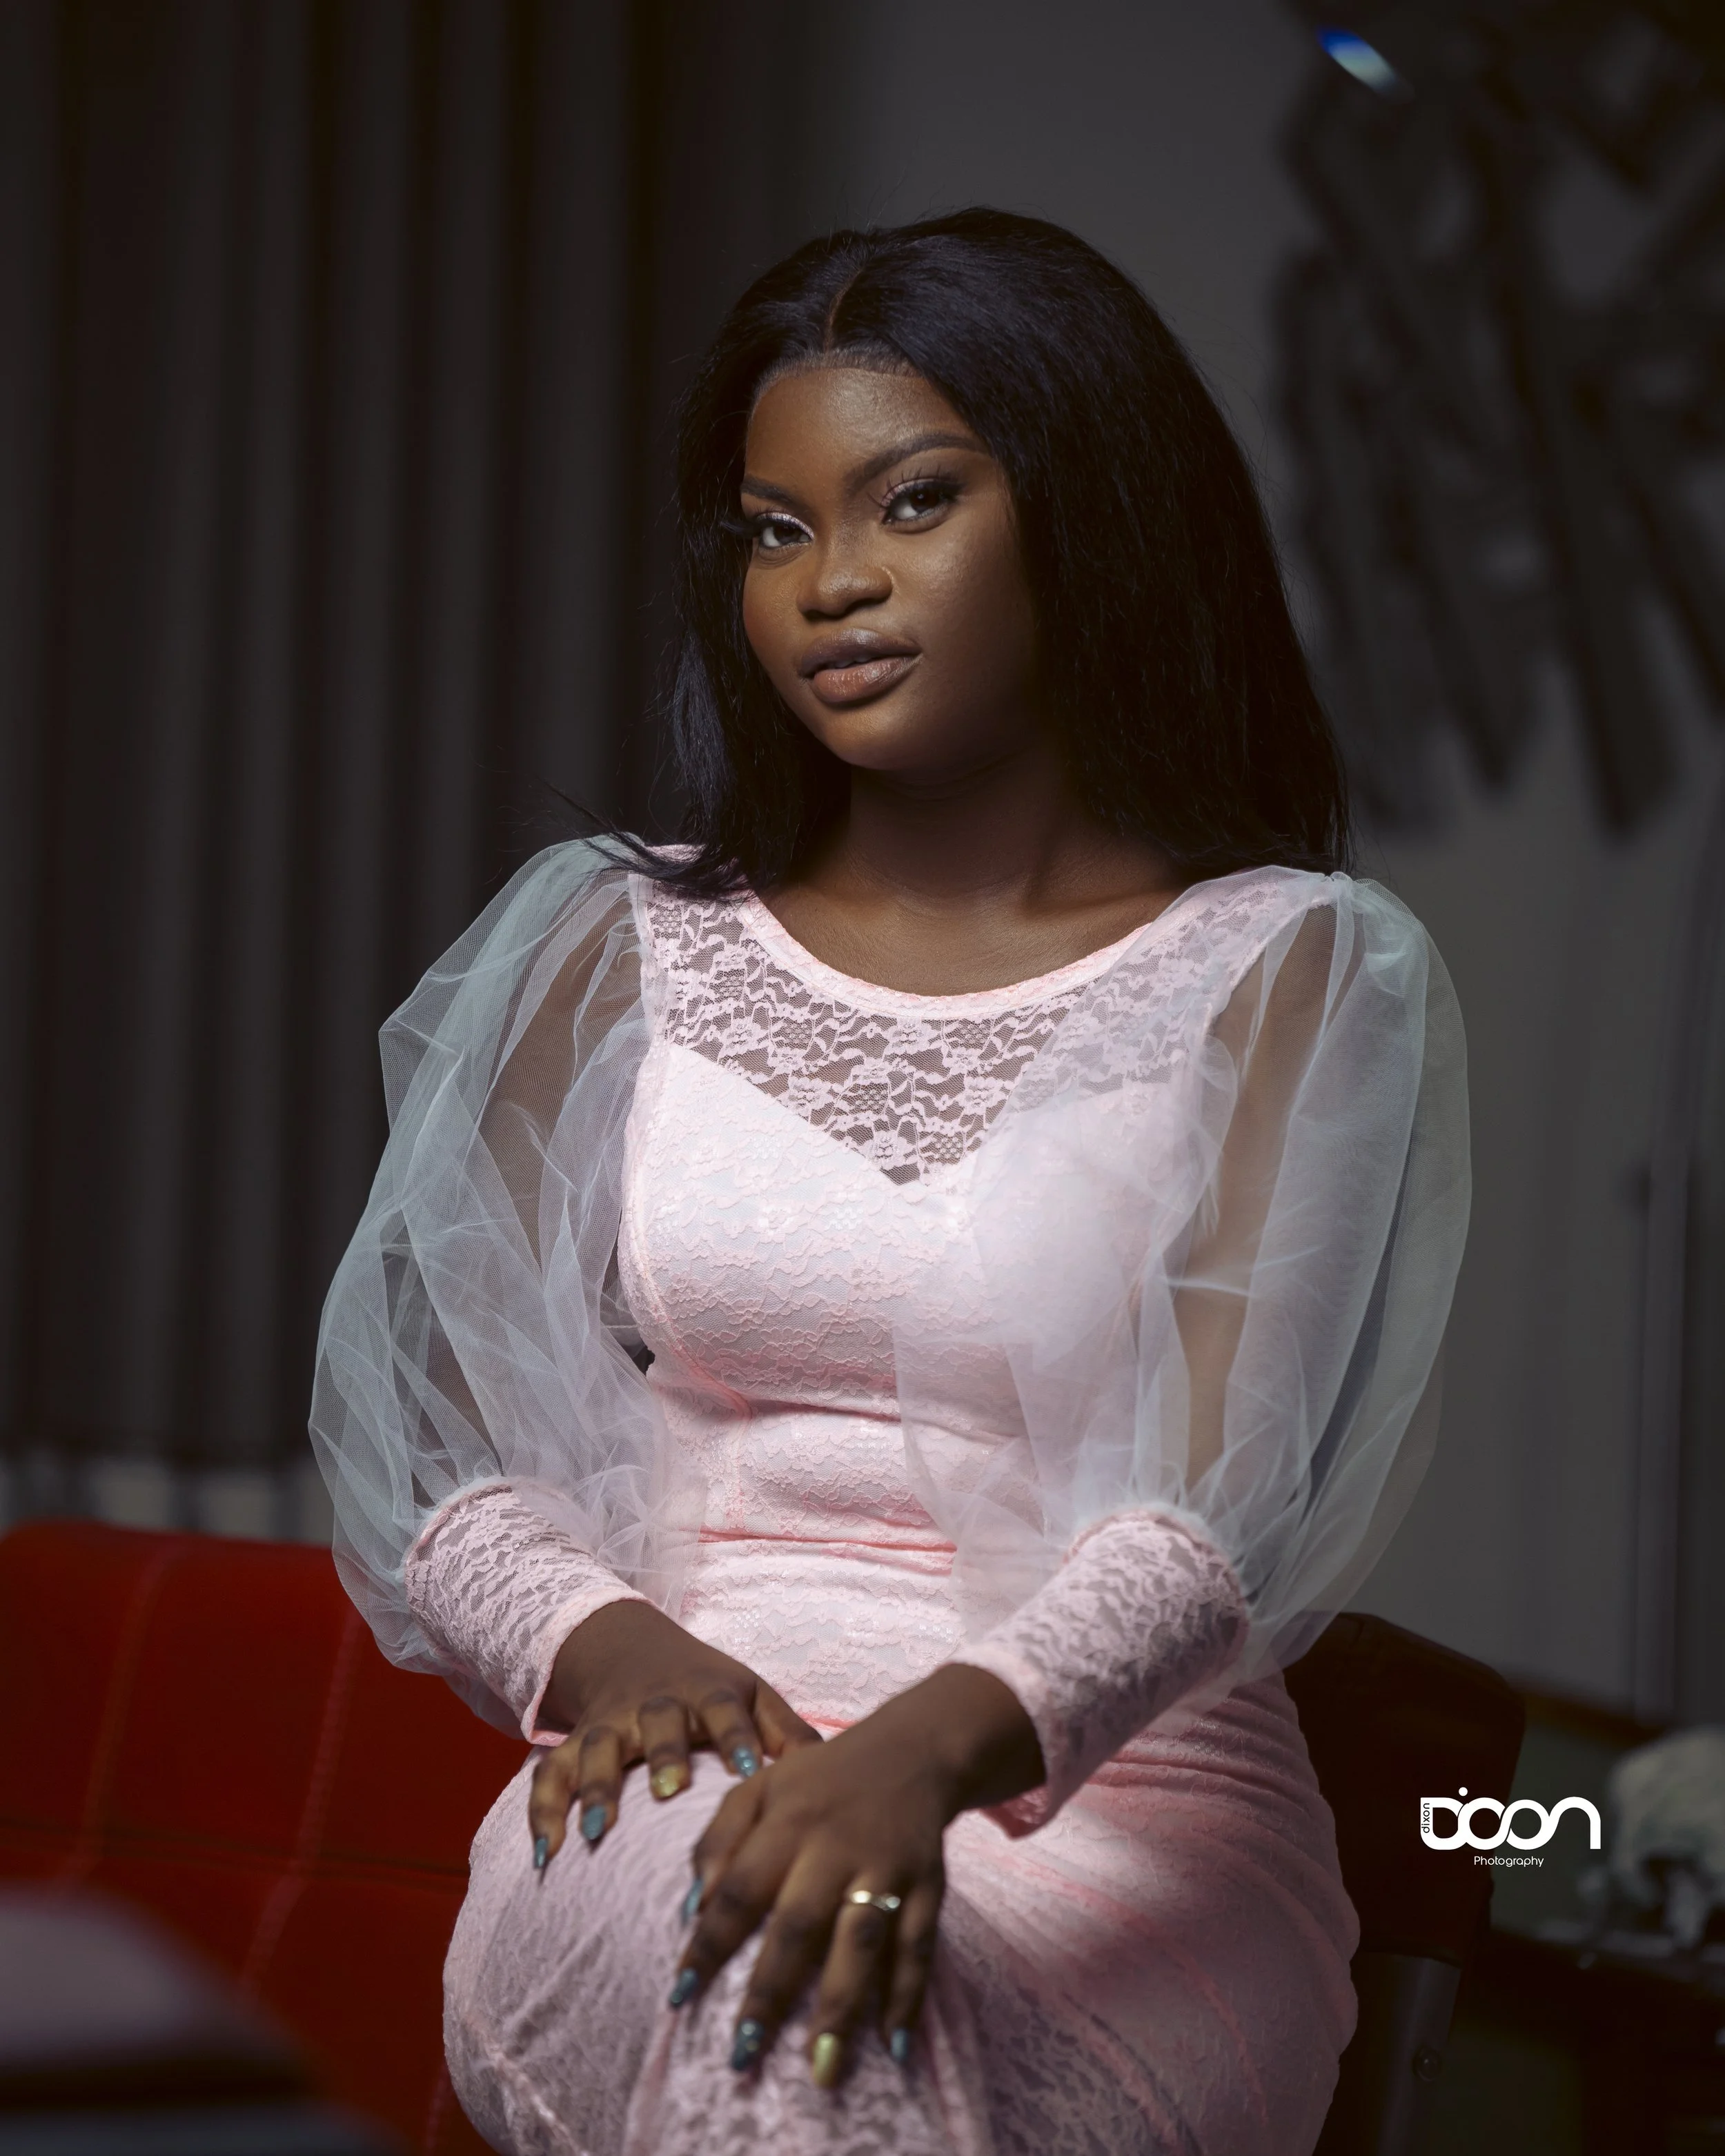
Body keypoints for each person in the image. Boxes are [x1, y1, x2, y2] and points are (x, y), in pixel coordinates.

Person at [310, 208, 1469, 2156]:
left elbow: (1221, 1511)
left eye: (908, 502)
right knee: (769, 1960)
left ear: (1089, 512)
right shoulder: (607, 936)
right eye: (775, 532)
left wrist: (917, 1765)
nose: (830, 584)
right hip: (667, 1758)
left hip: (1127, 1816)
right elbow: (428, 1438)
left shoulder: (1299, 968)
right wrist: (613, 1647)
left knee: (821, 1986)